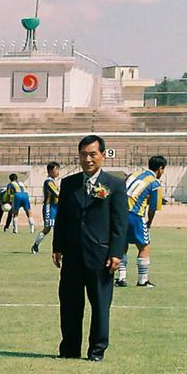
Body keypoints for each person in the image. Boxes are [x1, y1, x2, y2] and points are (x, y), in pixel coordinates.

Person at [51, 134, 127, 361]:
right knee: (70, 304)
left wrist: (116, 253)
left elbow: (120, 224)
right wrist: (57, 246)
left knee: (101, 306)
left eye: (93, 154)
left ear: (103, 155)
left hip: (101, 256)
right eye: (84, 154)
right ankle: (69, 349)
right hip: (73, 256)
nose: (88, 159)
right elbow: (62, 218)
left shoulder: (115, 185)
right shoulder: (69, 184)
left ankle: (96, 350)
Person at [116, 155, 167, 287]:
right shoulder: (155, 183)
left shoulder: (134, 174)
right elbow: (153, 207)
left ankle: (121, 278)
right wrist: (149, 223)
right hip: (135, 215)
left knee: (123, 245)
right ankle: (142, 280)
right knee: (143, 246)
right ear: (160, 169)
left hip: (120, 213)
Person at [31, 161, 61, 253]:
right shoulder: (48, 182)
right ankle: (35, 246)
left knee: (58, 228)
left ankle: (58, 248)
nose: (58, 172)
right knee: (47, 228)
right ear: (50, 171)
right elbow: (57, 194)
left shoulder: (52, 182)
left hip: (56, 207)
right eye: (56, 170)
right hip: (49, 208)